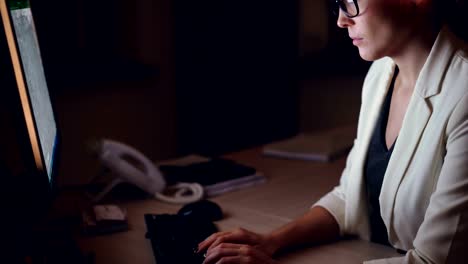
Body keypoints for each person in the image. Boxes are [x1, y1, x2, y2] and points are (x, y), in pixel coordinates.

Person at [197, 0, 468, 263]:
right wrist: (271, 241)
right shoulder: (381, 72)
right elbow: (350, 198)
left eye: (350, 1)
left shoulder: (463, 93)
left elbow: (434, 260)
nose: (341, 20)